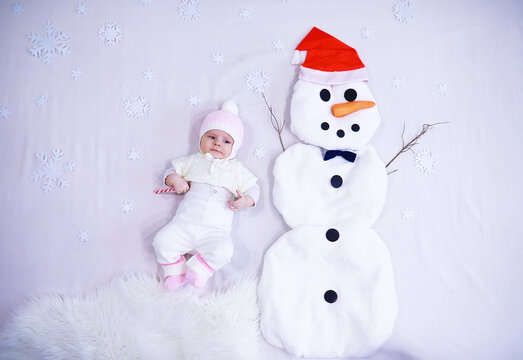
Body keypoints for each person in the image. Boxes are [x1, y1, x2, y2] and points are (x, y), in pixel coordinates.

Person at [153, 101, 260, 291]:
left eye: (226, 141)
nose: (218, 143)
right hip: (183, 225)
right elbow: (168, 173)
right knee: (162, 241)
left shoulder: (236, 170)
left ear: (234, 148)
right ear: (201, 139)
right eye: (212, 137)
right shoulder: (193, 161)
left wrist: (246, 201)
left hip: (215, 232)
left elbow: (254, 188)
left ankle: (199, 270)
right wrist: (176, 180)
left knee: (225, 251)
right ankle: (175, 272)